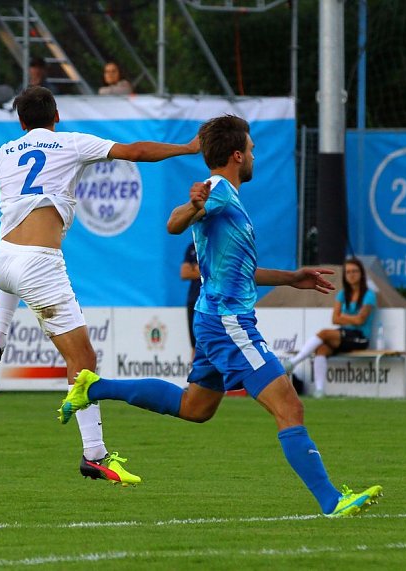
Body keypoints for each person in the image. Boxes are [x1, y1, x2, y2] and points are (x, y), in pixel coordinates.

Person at [58, 114, 383, 517]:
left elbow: (237, 269)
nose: (254, 155)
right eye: (251, 149)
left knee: (195, 407)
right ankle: (332, 501)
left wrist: (291, 277)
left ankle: (94, 387)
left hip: (213, 319)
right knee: (290, 407)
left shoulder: (226, 196)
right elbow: (174, 223)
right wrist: (193, 207)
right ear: (236, 155)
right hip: (229, 323)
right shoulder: (218, 191)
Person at [0, 86, 198, 486]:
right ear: (56, 115)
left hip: (0, 260)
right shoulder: (71, 142)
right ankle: (94, 455)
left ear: (21, 121)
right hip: (38, 265)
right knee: (83, 361)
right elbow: (136, 151)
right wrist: (187, 147)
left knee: (16, 275)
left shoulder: (5, 151)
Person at [283, 257, 376, 398]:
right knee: (321, 348)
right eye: (348, 272)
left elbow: (360, 320)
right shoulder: (342, 294)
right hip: (344, 334)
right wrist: (350, 318)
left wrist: (344, 317)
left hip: (360, 337)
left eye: (355, 271)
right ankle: (320, 391)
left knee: (324, 333)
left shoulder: (369, 295)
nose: (351, 275)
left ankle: (293, 362)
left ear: (361, 273)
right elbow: (335, 319)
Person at [181, 241, 201, 359]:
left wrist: (195, 268)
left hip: (213, 301)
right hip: (194, 299)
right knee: (195, 345)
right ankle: (195, 370)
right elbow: (184, 273)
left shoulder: (219, 243)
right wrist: (206, 271)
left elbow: (219, 272)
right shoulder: (192, 246)